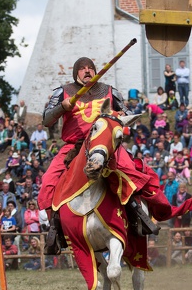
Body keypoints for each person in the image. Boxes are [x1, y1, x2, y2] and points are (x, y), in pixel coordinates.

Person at [39, 57, 169, 254]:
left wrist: (119, 117)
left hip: (105, 144)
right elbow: (47, 120)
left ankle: (137, 214)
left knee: (129, 170)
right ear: (76, 73)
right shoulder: (63, 92)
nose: (87, 71)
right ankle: (55, 228)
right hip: (74, 145)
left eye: (90, 68)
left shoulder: (108, 91)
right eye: (82, 69)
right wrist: (62, 107)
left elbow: (126, 113)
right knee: (49, 180)